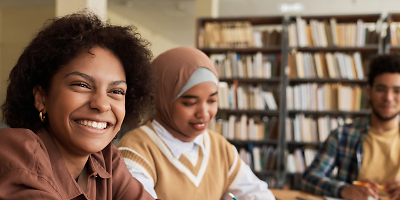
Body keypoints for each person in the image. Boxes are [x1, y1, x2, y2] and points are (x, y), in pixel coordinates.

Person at [0, 12, 156, 200]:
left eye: (116, 91)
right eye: (82, 85)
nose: (102, 104)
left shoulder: (105, 160)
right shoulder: (15, 151)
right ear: (41, 97)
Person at [117, 46, 276, 200]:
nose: (204, 113)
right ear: (162, 99)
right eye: (190, 103)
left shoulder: (220, 147)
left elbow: (257, 192)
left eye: (212, 100)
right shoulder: (135, 149)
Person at [301, 54, 400, 200]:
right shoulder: (343, 134)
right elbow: (308, 178)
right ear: (369, 93)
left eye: (397, 91)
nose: (388, 98)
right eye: (381, 89)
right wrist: (344, 190)